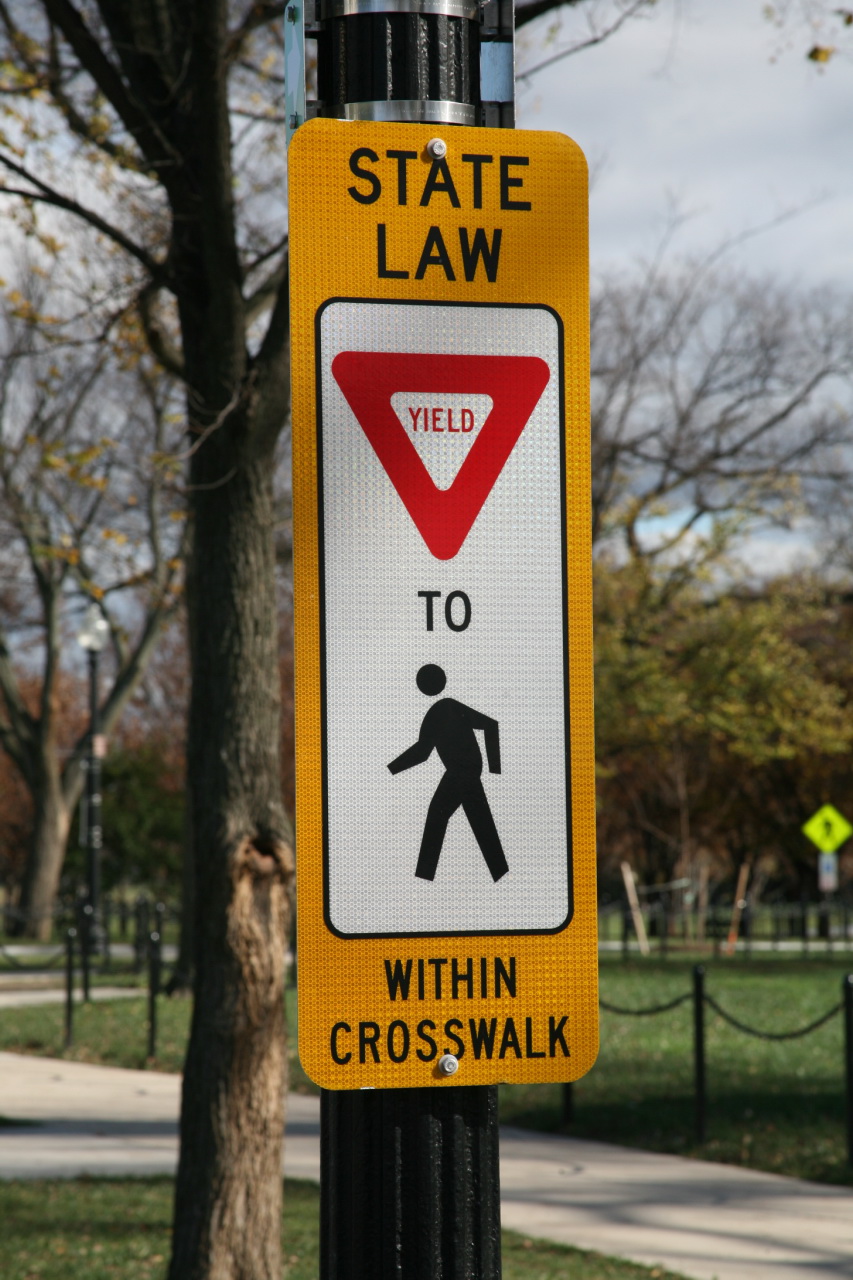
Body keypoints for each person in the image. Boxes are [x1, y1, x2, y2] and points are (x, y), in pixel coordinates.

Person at [388, 664, 508, 882]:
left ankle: (424, 877)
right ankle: (500, 873)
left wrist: (495, 770)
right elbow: (423, 752)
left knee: (439, 815)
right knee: (477, 821)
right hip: (464, 772)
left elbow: (490, 725)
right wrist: (393, 768)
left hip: (462, 773)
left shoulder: (444, 709)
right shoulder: (443, 709)